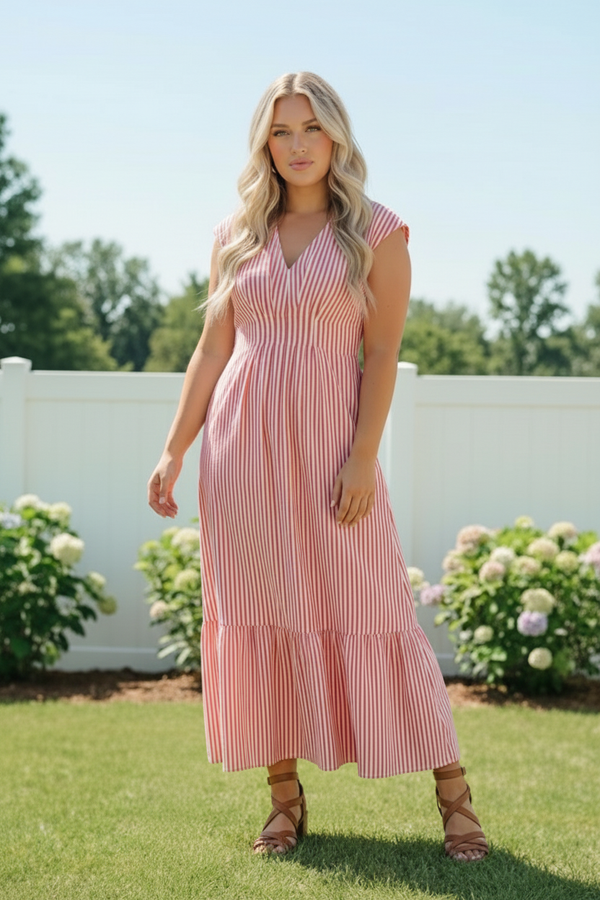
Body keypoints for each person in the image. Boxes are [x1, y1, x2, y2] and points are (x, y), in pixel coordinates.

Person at [147, 71, 488, 863]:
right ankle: (283, 799)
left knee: (378, 612)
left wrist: (363, 457)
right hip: (241, 455)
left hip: (333, 451)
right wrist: (175, 447)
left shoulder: (378, 231)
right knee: (261, 611)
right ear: (264, 144)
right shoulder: (236, 233)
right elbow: (213, 347)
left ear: (336, 136)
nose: (296, 146)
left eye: (310, 129)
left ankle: (455, 798)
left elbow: (383, 350)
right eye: (280, 132)